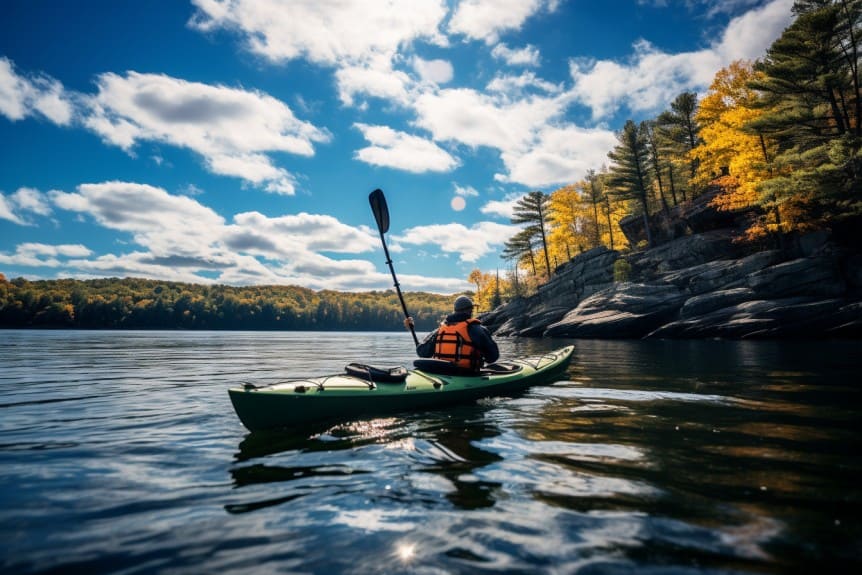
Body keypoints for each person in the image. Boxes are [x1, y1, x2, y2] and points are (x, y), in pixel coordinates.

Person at [404, 295, 499, 372]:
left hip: (440, 373)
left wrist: (412, 329)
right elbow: (493, 357)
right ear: (470, 311)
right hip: (466, 375)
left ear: (455, 311)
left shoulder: (440, 329)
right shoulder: (478, 329)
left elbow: (422, 352)